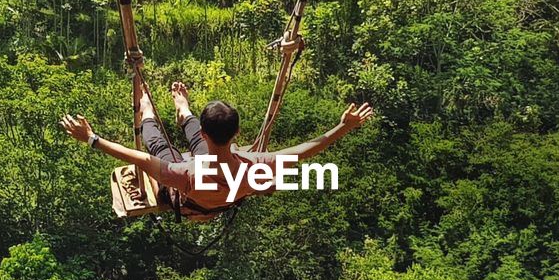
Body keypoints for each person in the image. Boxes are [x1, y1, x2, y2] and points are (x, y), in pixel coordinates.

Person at [60, 81, 374, 219]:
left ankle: (149, 106)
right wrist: (344, 126)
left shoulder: (187, 174)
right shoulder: (256, 168)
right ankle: (182, 108)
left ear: (207, 133)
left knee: (156, 142)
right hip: (221, 193)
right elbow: (307, 150)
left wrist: (92, 139)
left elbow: (142, 157)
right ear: (237, 133)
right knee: (170, 145)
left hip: (191, 197)